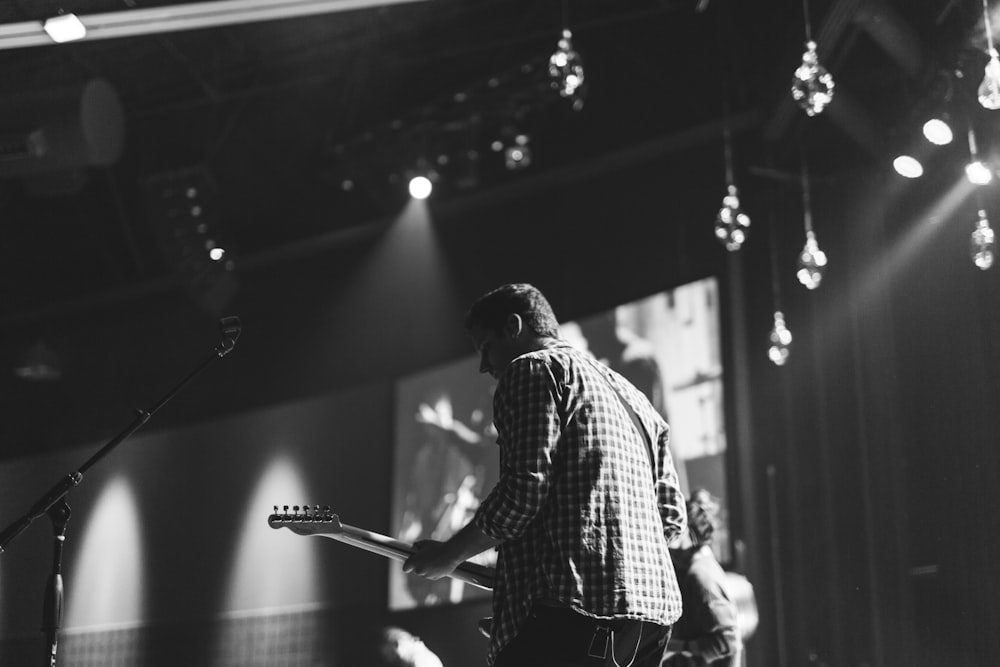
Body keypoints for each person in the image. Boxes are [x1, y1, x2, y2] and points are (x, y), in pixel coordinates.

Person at [403, 283, 687, 667]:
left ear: (514, 327)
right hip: (652, 621)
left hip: (579, 612)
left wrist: (448, 556)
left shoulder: (532, 369)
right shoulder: (635, 399)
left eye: (485, 347)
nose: (485, 365)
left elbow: (523, 491)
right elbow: (671, 520)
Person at [661, 489, 741, 666]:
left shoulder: (701, 575)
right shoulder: (702, 566)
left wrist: (673, 647)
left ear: (685, 531)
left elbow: (727, 642)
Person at [376, 625, 445, 667]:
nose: (387, 660)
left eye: (387, 655)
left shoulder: (420, 660)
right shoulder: (420, 657)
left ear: (397, 645)